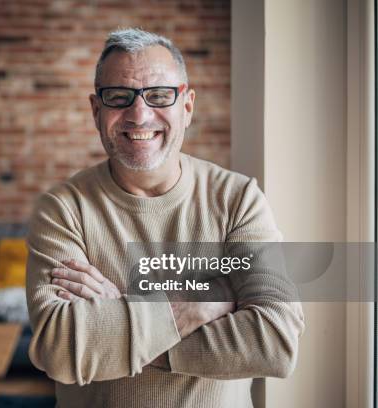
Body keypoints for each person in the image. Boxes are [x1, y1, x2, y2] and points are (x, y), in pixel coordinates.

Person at [25, 28, 304, 408]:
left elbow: (275, 342)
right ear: (97, 110)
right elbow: (59, 350)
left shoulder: (238, 199)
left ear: (187, 106)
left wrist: (121, 311)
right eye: (119, 97)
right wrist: (195, 307)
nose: (139, 115)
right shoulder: (63, 209)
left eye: (159, 96)